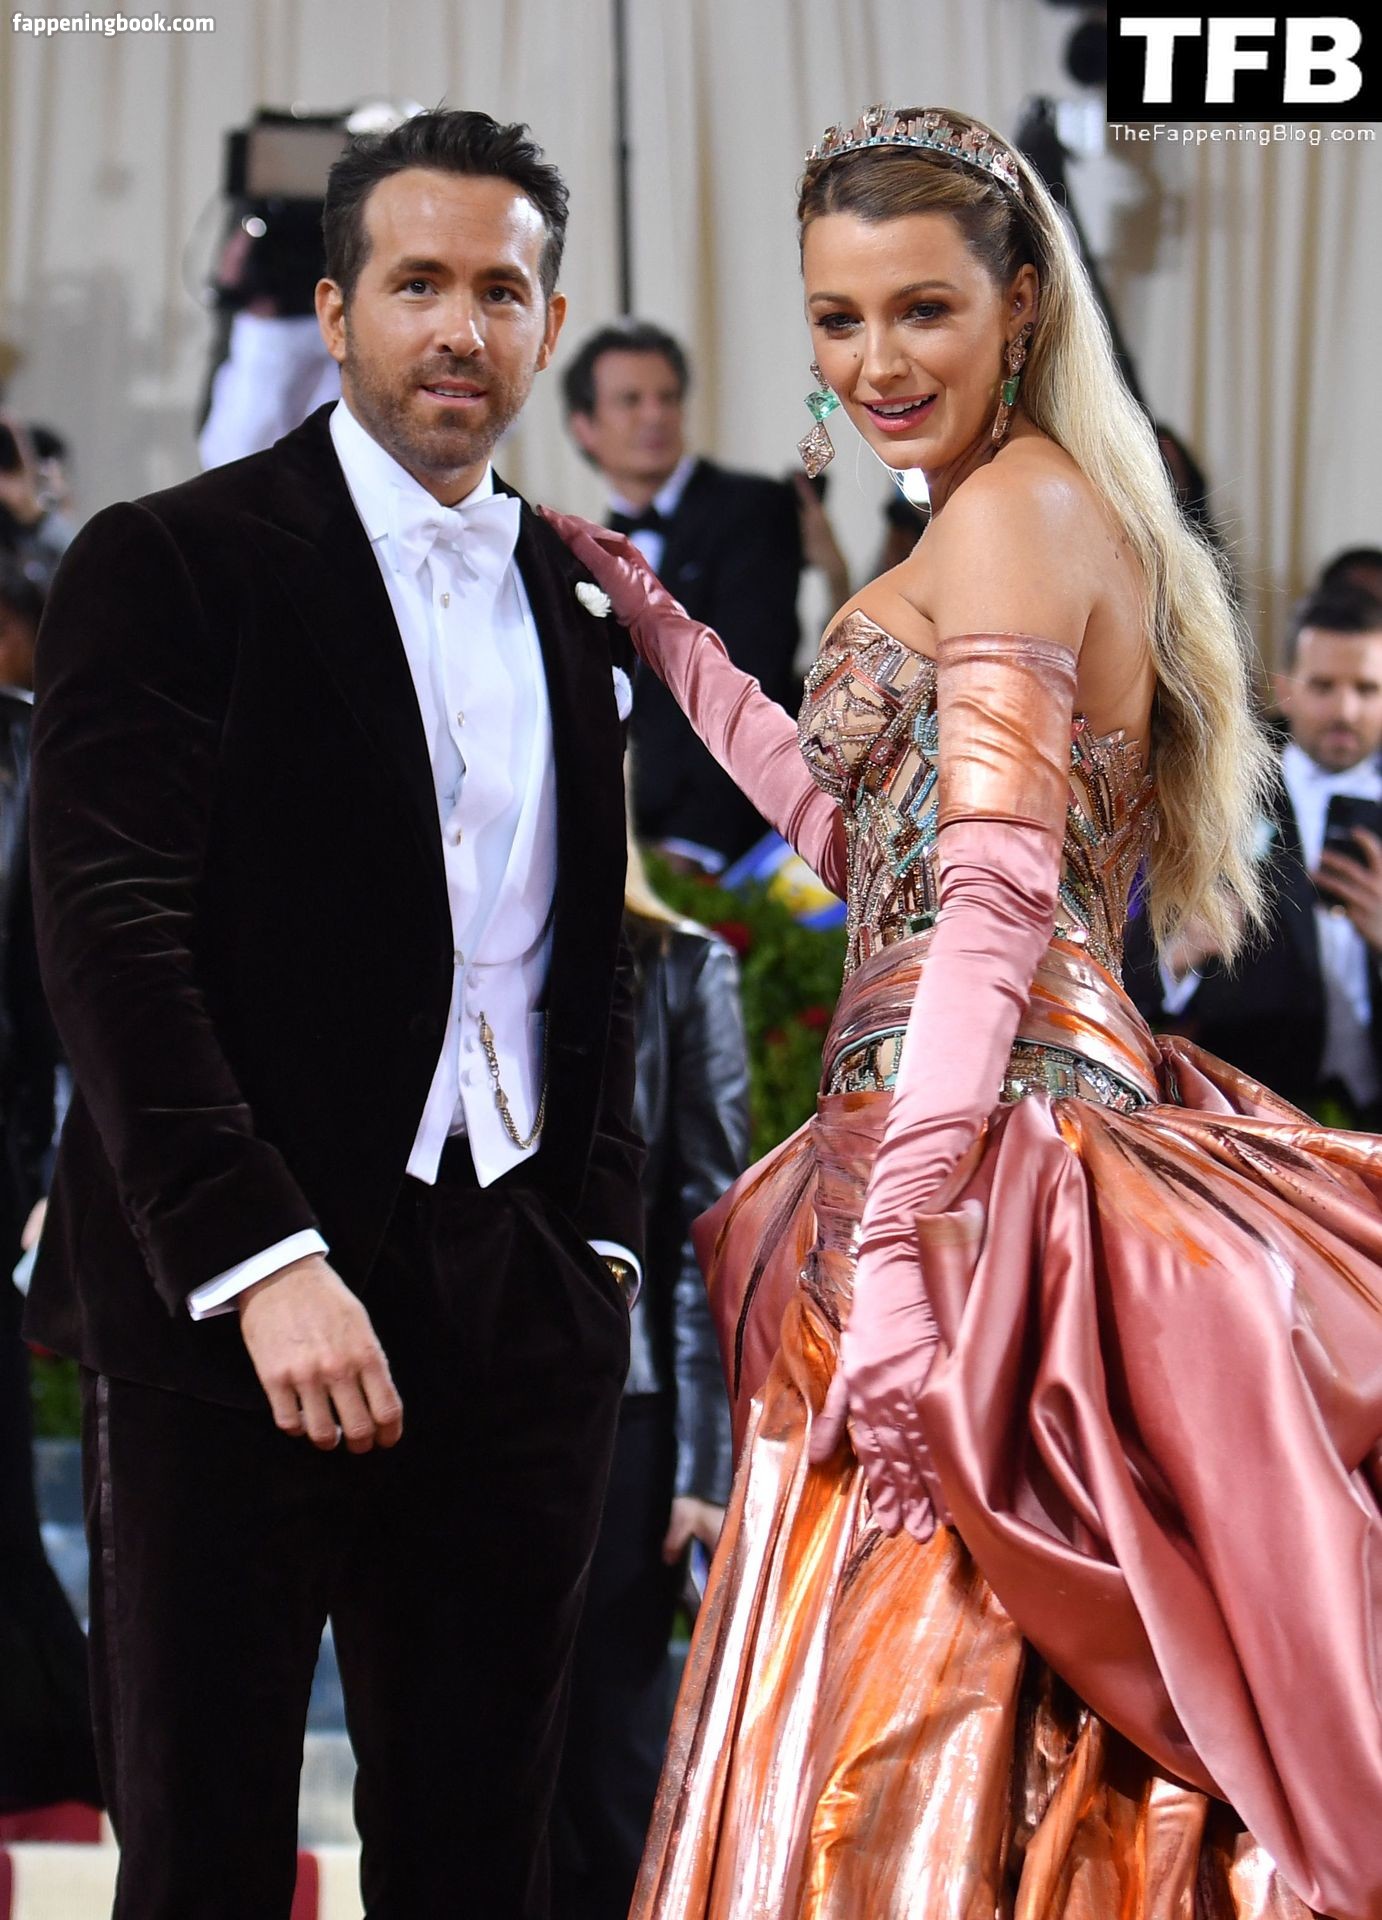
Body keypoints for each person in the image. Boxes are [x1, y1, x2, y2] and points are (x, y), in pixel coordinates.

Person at [544, 103, 1382, 1920]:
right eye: (837, 319)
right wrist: (671, 636)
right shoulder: (1005, 513)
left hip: (995, 1172)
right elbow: (880, 857)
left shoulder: (1012, 515)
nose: (875, 363)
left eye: (920, 309)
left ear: (1021, 306)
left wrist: (911, 1248)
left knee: (951, 1713)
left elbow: (991, 904)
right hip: (949, 1144)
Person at [26, 107, 644, 1920]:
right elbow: (110, 939)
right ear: (334, 309)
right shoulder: (170, 559)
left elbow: (586, 950)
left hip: (515, 1311)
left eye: (500, 292)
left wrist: (594, 1248)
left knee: (481, 1869)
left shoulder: (576, 592)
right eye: (418, 283)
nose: (460, 326)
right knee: (205, 1865)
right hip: (230, 1315)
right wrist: (258, 1260)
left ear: (547, 323)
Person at [552, 825, 746, 1920]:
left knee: (611, 1760)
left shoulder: (681, 967)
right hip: (476, 1401)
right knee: (482, 1768)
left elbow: (709, 1229)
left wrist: (704, 1460)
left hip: (630, 1417)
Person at [562, 320, 809, 871]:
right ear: (584, 427)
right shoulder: (582, 546)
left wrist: (695, 845)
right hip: (632, 846)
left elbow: (751, 679)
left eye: (668, 398)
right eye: (631, 400)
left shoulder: (751, 510)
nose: (655, 415)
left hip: (738, 847)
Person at [1132, 583, 1382, 1123]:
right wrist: (1178, 952)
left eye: (1367, 689)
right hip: (1247, 1108)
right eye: (1323, 686)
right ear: (1285, 687)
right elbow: (1134, 961)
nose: (1345, 710)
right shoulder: (1219, 789)